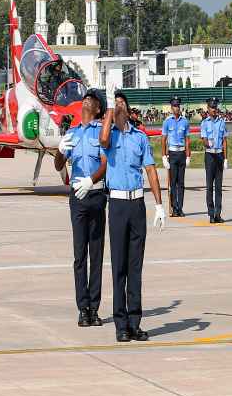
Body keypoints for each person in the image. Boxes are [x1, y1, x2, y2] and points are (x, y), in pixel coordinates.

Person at [99, 86, 166, 342]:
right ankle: (120, 324)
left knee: (135, 266)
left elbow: (150, 170)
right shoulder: (110, 135)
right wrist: (108, 112)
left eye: (121, 104)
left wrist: (159, 205)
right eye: (115, 104)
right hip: (117, 205)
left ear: (128, 109)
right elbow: (103, 140)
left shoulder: (139, 137)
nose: (119, 107)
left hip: (137, 203)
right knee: (119, 267)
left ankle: (135, 322)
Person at [53, 88, 108, 328]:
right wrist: (60, 149)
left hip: (95, 195)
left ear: (97, 109)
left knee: (96, 255)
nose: (87, 99)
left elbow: (106, 163)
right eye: (86, 97)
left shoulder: (101, 133)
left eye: (93, 99)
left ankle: (94, 308)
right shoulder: (72, 133)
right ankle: (82, 308)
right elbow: (58, 165)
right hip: (77, 197)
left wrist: (91, 181)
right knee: (79, 256)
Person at [161, 96, 190, 217]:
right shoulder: (167, 121)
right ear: (171, 107)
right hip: (172, 153)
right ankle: (173, 207)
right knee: (173, 183)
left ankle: (180, 207)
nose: (176, 108)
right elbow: (163, 139)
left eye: (178, 105)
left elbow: (187, 139)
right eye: (174, 106)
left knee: (181, 183)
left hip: (182, 153)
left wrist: (188, 156)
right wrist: (163, 156)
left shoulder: (185, 121)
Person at [200, 97, 228, 223]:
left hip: (219, 156)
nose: (214, 109)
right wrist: (208, 143)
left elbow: (224, 140)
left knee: (219, 187)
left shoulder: (222, 122)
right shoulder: (204, 123)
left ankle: (218, 214)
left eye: (215, 107)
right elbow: (204, 139)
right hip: (210, 155)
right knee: (209, 186)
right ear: (208, 109)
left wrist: (226, 158)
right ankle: (211, 214)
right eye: (212, 107)